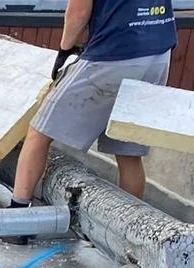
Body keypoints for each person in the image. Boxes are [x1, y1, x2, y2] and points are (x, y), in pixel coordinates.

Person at [10, 0, 177, 208]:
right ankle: (130, 229)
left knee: (39, 133)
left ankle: (18, 212)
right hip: (158, 53)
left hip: (113, 52)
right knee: (128, 151)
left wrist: (65, 49)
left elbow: (79, 13)